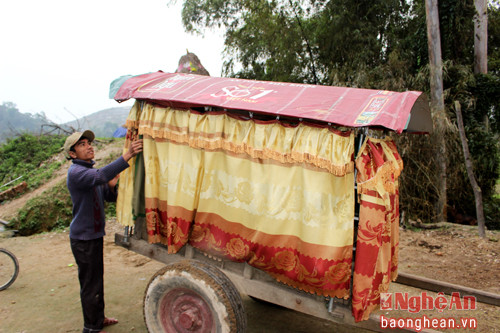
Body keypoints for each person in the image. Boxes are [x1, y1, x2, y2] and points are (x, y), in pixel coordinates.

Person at [63, 130, 143, 333]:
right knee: (90, 283)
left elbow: (106, 195)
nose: (89, 146)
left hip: (93, 236)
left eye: (88, 142)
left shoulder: (90, 172)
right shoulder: (77, 173)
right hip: (83, 238)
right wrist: (127, 155)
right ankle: (91, 327)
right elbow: (100, 176)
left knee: (96, 280)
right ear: (72, 154)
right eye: (82, 144)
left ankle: (98, 318)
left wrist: (113, 187)